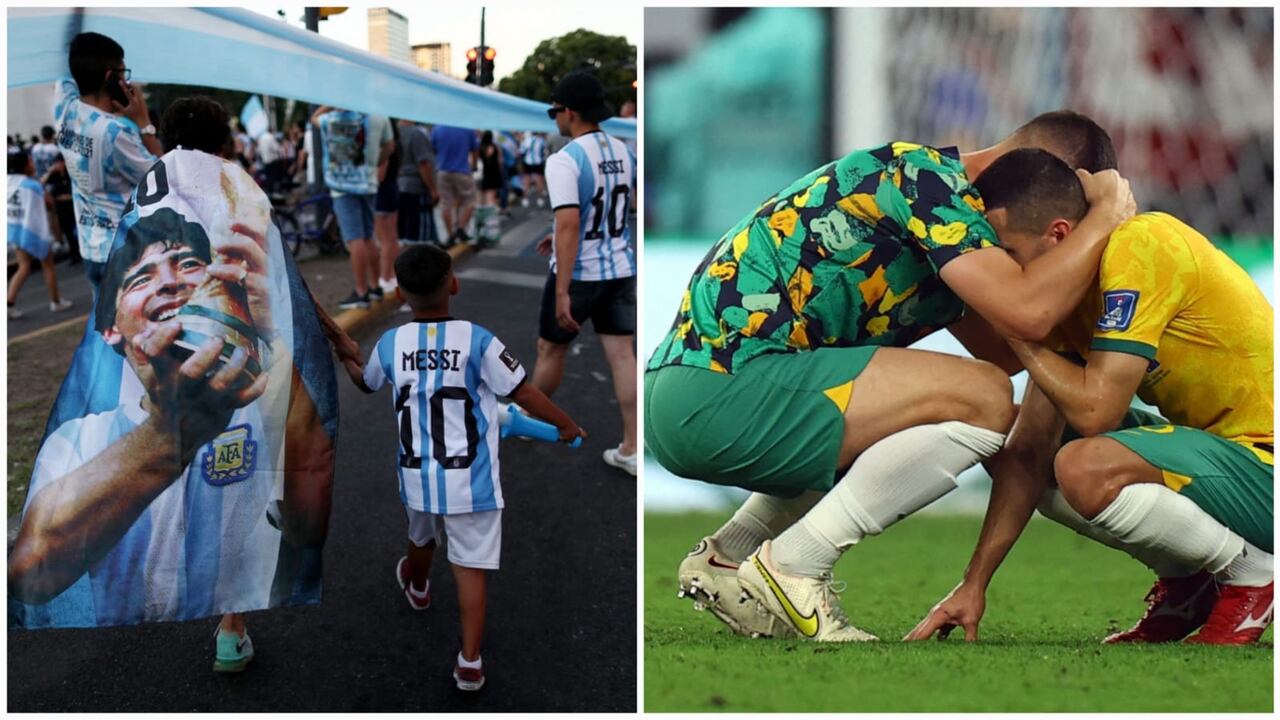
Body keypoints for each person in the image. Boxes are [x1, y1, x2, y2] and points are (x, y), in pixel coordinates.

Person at [646, 111, 1134, 641]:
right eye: (1064, 223)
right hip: (719, 390)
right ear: (1046, 176)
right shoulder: (929, 181)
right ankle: (795, 567)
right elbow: (1026, 319)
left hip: (697, 387)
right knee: (986, 399)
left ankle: (730, 556)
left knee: (964, 413)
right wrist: (1106, 215)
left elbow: (1012, 351)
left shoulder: (942, 210)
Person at [8, 96, 361, 675]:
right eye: (144, 274)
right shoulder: (238, 189)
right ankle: (232, 623)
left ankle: (228, 621)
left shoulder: (151, 180)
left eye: (190, 265)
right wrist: (324, 339)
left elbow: (274, 287)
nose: (171, 285)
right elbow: (32, 565)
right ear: (112, 325)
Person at [906, 149, 1273, 646]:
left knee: (1085, 464)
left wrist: (1017, 331)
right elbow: (1030, 449)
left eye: (1008, 254)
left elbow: (1096, 411)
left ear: (1057, 235)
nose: (1000, 275)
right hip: (1225, 461)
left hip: (1265, 466)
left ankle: (1254, 574)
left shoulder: (1142, 246)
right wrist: (974, 584)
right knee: (1016, 447)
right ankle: (1189, 585)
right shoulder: (1071, 297)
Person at [346, 243, 585, 691]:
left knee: (421, 536)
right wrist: (566, 424)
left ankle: (416, 586)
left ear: (400, 293)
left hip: (417, 475)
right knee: (469, 568)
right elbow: (523, 393)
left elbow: (366, 381)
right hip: (470, 482)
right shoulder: (478, 339)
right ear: (452, 284)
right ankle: (470, 661)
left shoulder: (391, 342)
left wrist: (347, 356)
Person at [533, 71, 638, 476]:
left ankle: (529, 419)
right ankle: (630, 448)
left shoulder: (564, 159)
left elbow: (572, 224)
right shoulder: (626, 151)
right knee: (621, 356)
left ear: (570, 112)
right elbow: (609, 209)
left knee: (551, 349)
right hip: (620, 267)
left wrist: (562, 290)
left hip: (580, 274)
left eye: (554, 111)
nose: (554, 119)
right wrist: (555, 232)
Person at [53, 32, 163, 296]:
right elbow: (163, 179)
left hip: (91, 249)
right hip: (124, 255)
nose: (127, 82)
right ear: (109, 77)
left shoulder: (63, 110)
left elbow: (64, 76)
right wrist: (144, 123)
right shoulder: (115, 133)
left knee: (107, 333)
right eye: (123, 73)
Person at [312, 105, 394, 309]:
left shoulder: (332, 118)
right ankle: (375, 286)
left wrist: (330, 103)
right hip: (368, 184)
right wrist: (374, 162)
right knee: (368, 236)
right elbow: (390, 146)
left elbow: (314, 118)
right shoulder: (379, 115)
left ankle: (361, 291)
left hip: (342, 187)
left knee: (354, 238)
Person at [7, 150, 73, 318]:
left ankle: (9, 302)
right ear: (24, 166)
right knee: (47, 265)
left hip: (15, 229)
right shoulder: (32, 185)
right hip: (34, 230)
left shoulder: (7, 182)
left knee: (23, 267)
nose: (33, 164)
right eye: (30, 162)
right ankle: (56, 302)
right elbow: (49, 203)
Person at [431, 124, 479, 246]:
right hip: (462, 170)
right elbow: (475, 149)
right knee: (470, 200)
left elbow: (433, 149)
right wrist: (474, 165)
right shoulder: (467, 128)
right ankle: (461, 229)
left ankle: (450, 234)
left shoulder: (438, 128)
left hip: (442, 171)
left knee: (446, 203)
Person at [396, 119, 439, 247]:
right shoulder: (417, 134)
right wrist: (433, 189)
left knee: (401, 235)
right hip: (416, 187)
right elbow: (424, 164)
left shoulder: (394, 133)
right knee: (419, 237)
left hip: (398, 185)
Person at [373, 120, 401, 294]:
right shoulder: (397, 147)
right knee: (391, 237)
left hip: (382, 193)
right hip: (392, 190)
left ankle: (385, 277)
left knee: (385, 239)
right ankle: (391, 276)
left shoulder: (385, 150)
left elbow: (380, 176)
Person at [519, 131, 548, 207]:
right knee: (539, 181)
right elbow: (544, 152)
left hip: (527, 162)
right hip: (538, 163)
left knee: (526, 181)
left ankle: (525, 199)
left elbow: (522, 152)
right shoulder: (541, 141)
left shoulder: (526, 141)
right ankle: (540, 199)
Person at [478, 130, 503, 208]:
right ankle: (491, 211)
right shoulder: (494, 146)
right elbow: (500, 160)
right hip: (494, 172)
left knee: (483, 194)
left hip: (483, 172)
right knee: (492, 194)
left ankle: (484, 211)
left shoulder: (480, 147)